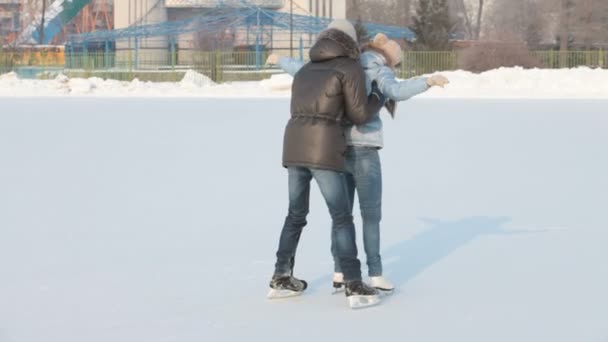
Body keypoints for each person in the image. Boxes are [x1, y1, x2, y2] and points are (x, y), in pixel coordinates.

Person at [267, 32, 449, 293]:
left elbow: (300, 69)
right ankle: (374, 274)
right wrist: (427, 81)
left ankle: (339, 271)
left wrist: (280, 59)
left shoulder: (335, 65)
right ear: (387, 53)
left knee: (339, 214)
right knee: (369, 215)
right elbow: (394, 91)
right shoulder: (377, 68)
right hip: (362, 148)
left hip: (334, 147)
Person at [267, 19, 386, 309]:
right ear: (350, 43)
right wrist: (378, 97)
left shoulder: (307, 69)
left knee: (295, 214)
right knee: (342, 216)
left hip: (293, 144)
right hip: (323, 148)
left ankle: (281, 276)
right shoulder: (349, 67)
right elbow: (359, 114)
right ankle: (354, 283)